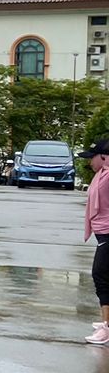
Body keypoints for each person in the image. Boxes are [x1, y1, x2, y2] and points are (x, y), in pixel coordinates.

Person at [81, 138, 109, 344]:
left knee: (101, 275)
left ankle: (106, 328)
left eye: (92, 157)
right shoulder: (101, 175)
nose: (90, 161)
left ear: (104, 157)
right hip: (103, 232)